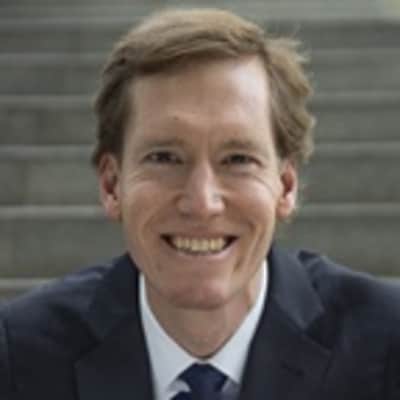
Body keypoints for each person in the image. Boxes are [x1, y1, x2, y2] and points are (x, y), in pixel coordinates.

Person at [0, 8, 399, 400]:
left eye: (238, 159)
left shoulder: (387, 346)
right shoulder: (18, 357)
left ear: (286, 185)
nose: (203, 203)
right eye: (164, 157)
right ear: (111, 185)